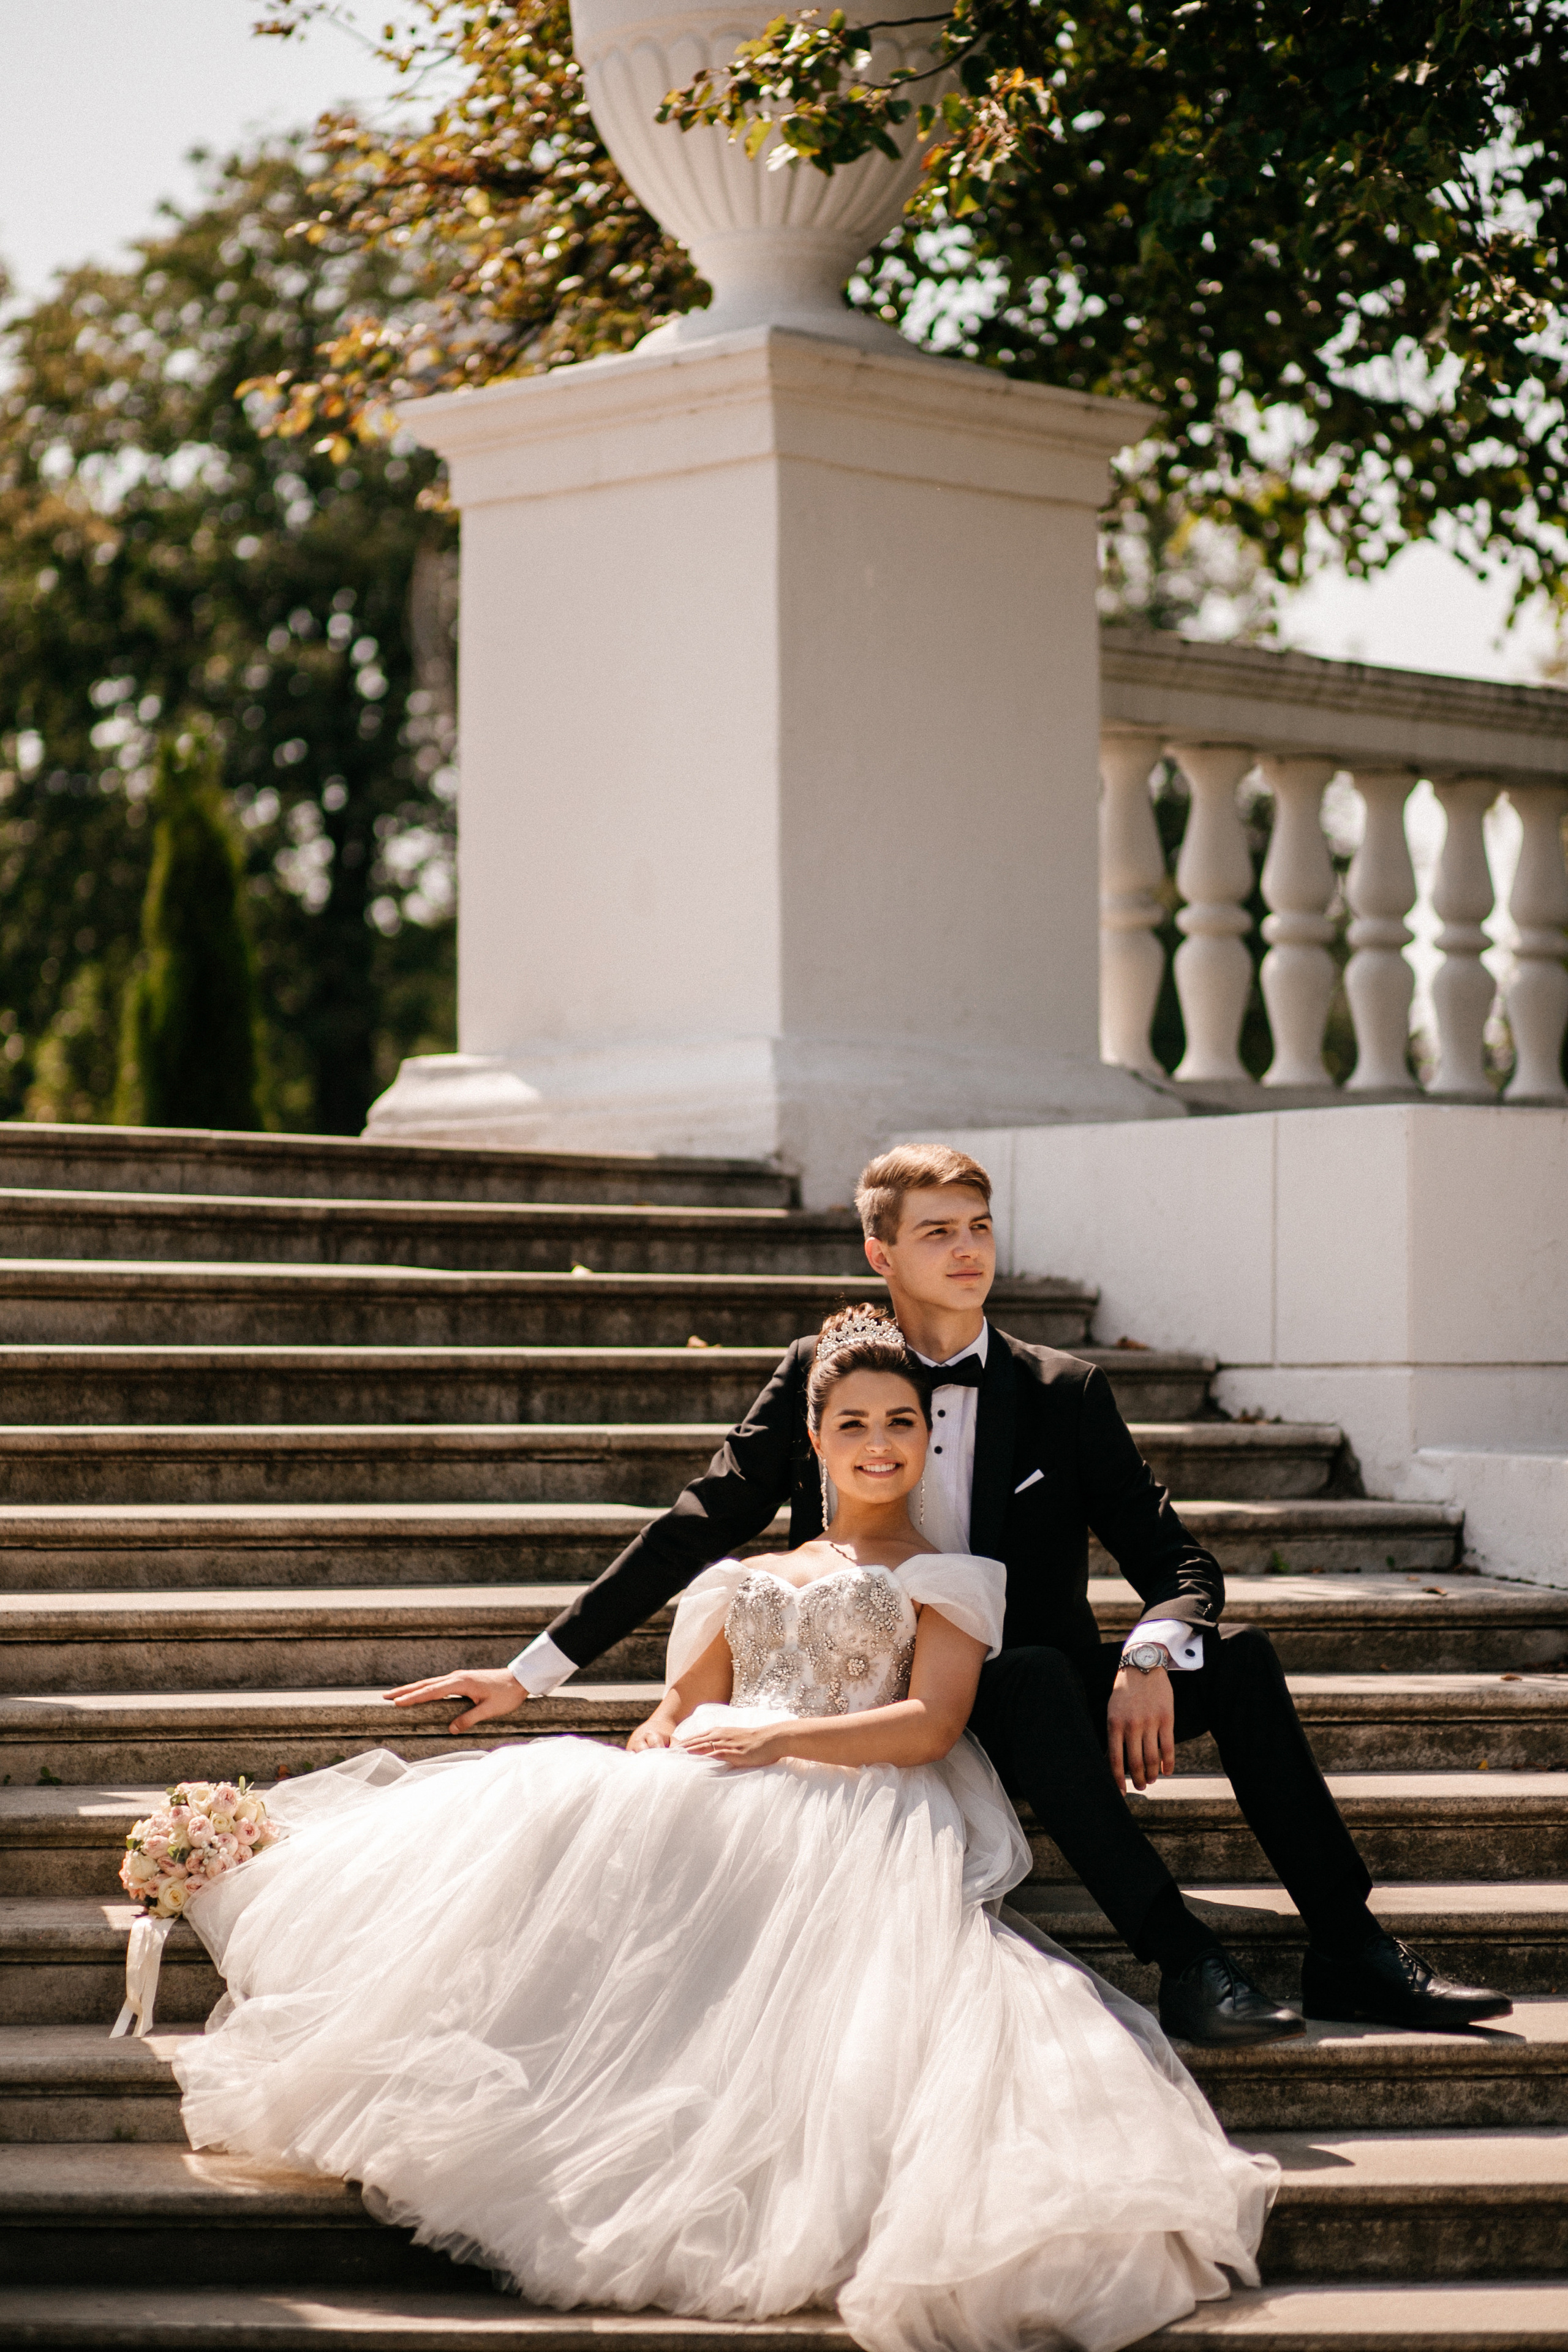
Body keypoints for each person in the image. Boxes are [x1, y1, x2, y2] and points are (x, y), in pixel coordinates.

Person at [176, 1308, 1276, 2352]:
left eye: (903, 1423)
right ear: (816, 1437)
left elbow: (932, 1723)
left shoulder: (953, 1577)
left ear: (926, 1437)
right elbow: (681, 1706)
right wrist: (651, 1746)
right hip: (722, 1770)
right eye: (854, 1424)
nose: (881, 1444)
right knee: (569, 1811)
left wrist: (783, 1744)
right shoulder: (745, 1574)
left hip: (853, 1793)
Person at [398, 1144, 1509, 2046]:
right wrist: (535, 1669)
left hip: (1057, 1675)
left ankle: (1350, 1945)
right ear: (879, 1249)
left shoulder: (1062, 1393)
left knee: (1246, 1659)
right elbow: (705, 1521)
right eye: (937, 1232)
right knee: (1019, 1679)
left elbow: (1180, 1566)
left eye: (978, 1227)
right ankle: (1187, 1963)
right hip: (914, 1691)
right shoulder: (825, 1378)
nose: (967, 1250)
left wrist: (1146, 1657)